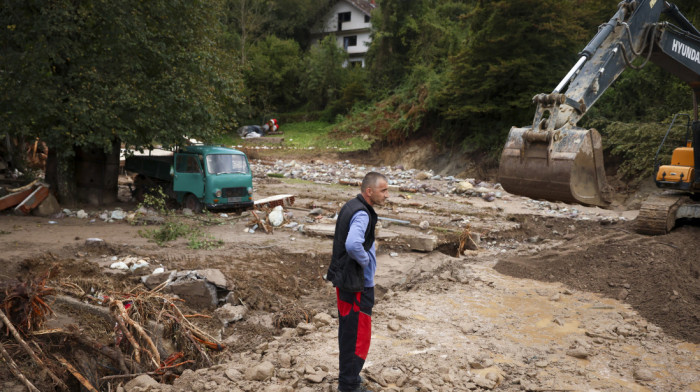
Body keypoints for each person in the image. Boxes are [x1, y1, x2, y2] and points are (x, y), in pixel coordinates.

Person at [326, 172, 389, 392]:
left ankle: (348, 378)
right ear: (369, 191)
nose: (387, 195)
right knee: (357, 336)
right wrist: (365, 262)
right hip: (356, 284)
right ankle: (349, 385)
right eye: (383, 190)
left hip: (345, 281)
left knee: (348, 332)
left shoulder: (352, 205)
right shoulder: (362, 213)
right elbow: (353, 244)